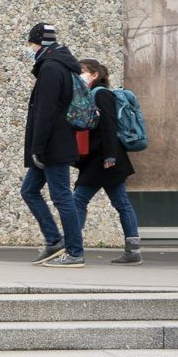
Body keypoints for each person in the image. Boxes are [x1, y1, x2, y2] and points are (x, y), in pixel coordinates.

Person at [20, 22, 86, 267]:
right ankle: (54, 240)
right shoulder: (58, 65)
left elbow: (46, 112)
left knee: (62, 198)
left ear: (40, 43)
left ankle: (75, 252)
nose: (30, 49)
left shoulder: (51, 68)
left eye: (31, 44)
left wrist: (37, 148)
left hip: (52, 146)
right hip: (53, 143)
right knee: (29, 190)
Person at [74, 59, 142, 264]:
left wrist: (110, 156)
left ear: (95, 74)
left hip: (104, 159)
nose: (79, 75)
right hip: (101, 159)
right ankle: (133, 250)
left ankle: (72, 246)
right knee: (121, 202)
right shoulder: (90, 94)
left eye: (82, 71)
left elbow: (109, 126)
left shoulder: (101, 94)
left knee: (78, 200)